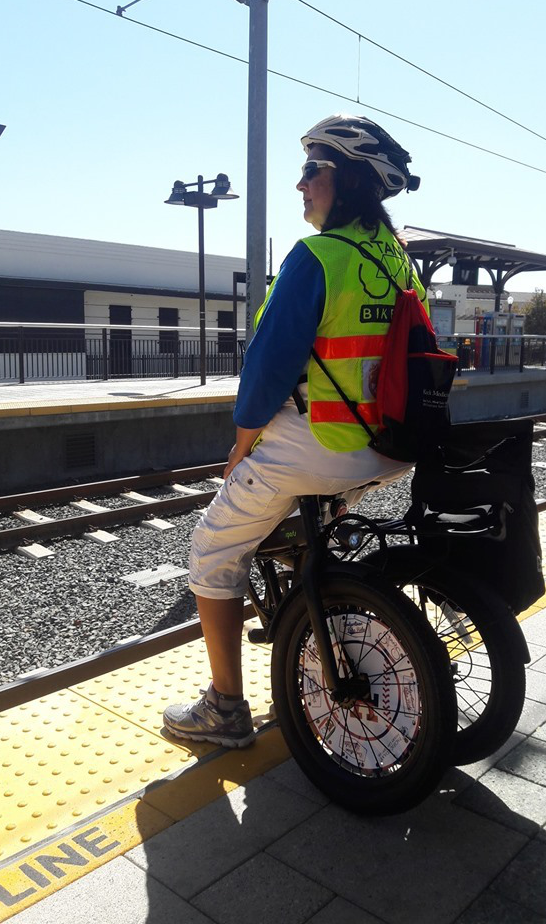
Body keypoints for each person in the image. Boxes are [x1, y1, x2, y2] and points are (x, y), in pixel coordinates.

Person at [163, 115, 425, 748]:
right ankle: (304, 641)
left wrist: (240, 446)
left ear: (349, 180)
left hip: (315, 450)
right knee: (292, 533)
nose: (300, 184)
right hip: (386, 451)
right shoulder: (396, 260)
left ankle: (225, 709)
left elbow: (267, 367)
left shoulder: (317, 256)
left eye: (313, 170)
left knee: (211, 550)